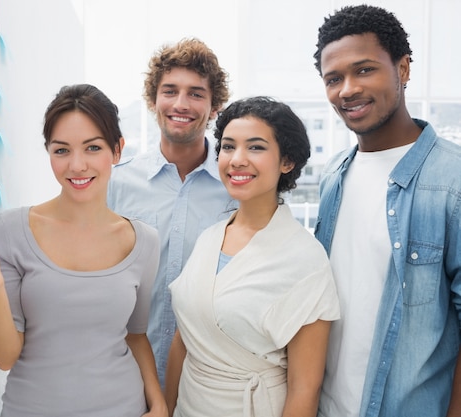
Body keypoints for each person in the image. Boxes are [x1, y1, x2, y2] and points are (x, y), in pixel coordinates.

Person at [0, 84, 167, 417]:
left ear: (117, 150)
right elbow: (3, 356)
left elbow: (136, 336)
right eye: (62, 150)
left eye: (93, 148)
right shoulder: (12, 229)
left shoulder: (144, 241)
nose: (77, 165)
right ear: (49, 152)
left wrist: (158, 403)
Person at [313, 5, 461, 417]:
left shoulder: (453, 180)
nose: (346, 89)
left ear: (403, 68)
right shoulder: (333, 176)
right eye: (333, 79)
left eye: (363, 70)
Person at [165, 96, 340, 417]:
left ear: (286, 161)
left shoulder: (306, 260)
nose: (237, 159)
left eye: (256, 147)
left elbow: (305, 388)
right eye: (229, 147)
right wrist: (166, 408)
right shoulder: (209, 238)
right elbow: (184, 338)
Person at [107, 37, 236, 387]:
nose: (181, 104)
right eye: (170, 91)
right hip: (124, 381)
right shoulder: (115, 184)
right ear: (152, 101)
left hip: (205, 385)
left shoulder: (238, 190)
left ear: (214, 107)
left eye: (196, 93)